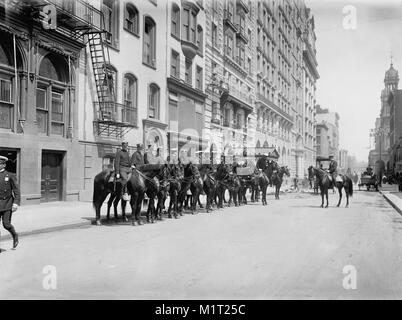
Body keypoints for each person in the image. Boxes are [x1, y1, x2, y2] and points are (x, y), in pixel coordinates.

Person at [0, 156, 20, 250]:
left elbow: (16, 190)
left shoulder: (10, 175)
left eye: (0, 163)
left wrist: (15, 203)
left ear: (4, 164)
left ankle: (15, 235)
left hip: (7, 203)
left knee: (6, 224)